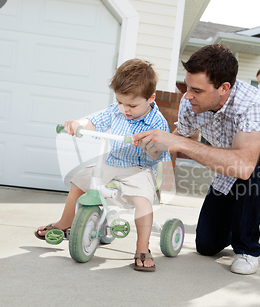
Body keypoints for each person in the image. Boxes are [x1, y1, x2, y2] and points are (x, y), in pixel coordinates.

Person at [132, 44, 260, 275]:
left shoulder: (252, 103)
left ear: (224, 88)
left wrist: (181, 144)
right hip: (229, 168)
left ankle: (248, 249)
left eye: (197, 90)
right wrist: (148, 143)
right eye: (188, 87)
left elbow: (245, 165)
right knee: (206, 244)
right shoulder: (190, 103)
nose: (188, 95)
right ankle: (248, 220)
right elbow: (178, 139)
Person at [35, 59, 171, 272]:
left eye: (132, 105)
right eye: (120, 102)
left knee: (143, 199)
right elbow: (94, 121)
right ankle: (65, 223)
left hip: (139, 168)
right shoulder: (116, 110)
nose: (124, 109)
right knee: (79, 180)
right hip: (111, 162)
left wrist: (149, 145)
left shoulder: (157, 121)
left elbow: (159, 153)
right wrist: (78, 124)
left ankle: (143, 247)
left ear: (150, 98)